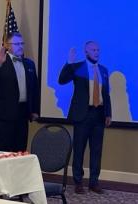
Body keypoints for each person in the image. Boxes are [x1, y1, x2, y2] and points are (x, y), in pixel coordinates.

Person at [59, 41, 112, 194]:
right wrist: (69, 63)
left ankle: (94, 182)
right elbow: (62, 80)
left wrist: (108, 113)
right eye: (93, 50)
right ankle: (78, 182)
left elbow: (105, 94)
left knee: (96, 150)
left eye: (98, 50)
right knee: (79, 149)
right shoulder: (78, 67)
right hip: (82, 114)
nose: (96, 52)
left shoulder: (103, 70)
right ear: (86, 52)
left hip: (99, 114)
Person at [0, 32, 39, 152]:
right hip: (5, 114)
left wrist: (34, 110)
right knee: (5, 148)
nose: (21, 46)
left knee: (20, 149)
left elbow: (34, 89)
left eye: (22, 43)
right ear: (7, 46)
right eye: (17, 44)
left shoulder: (29, 64)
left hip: (23, 113)